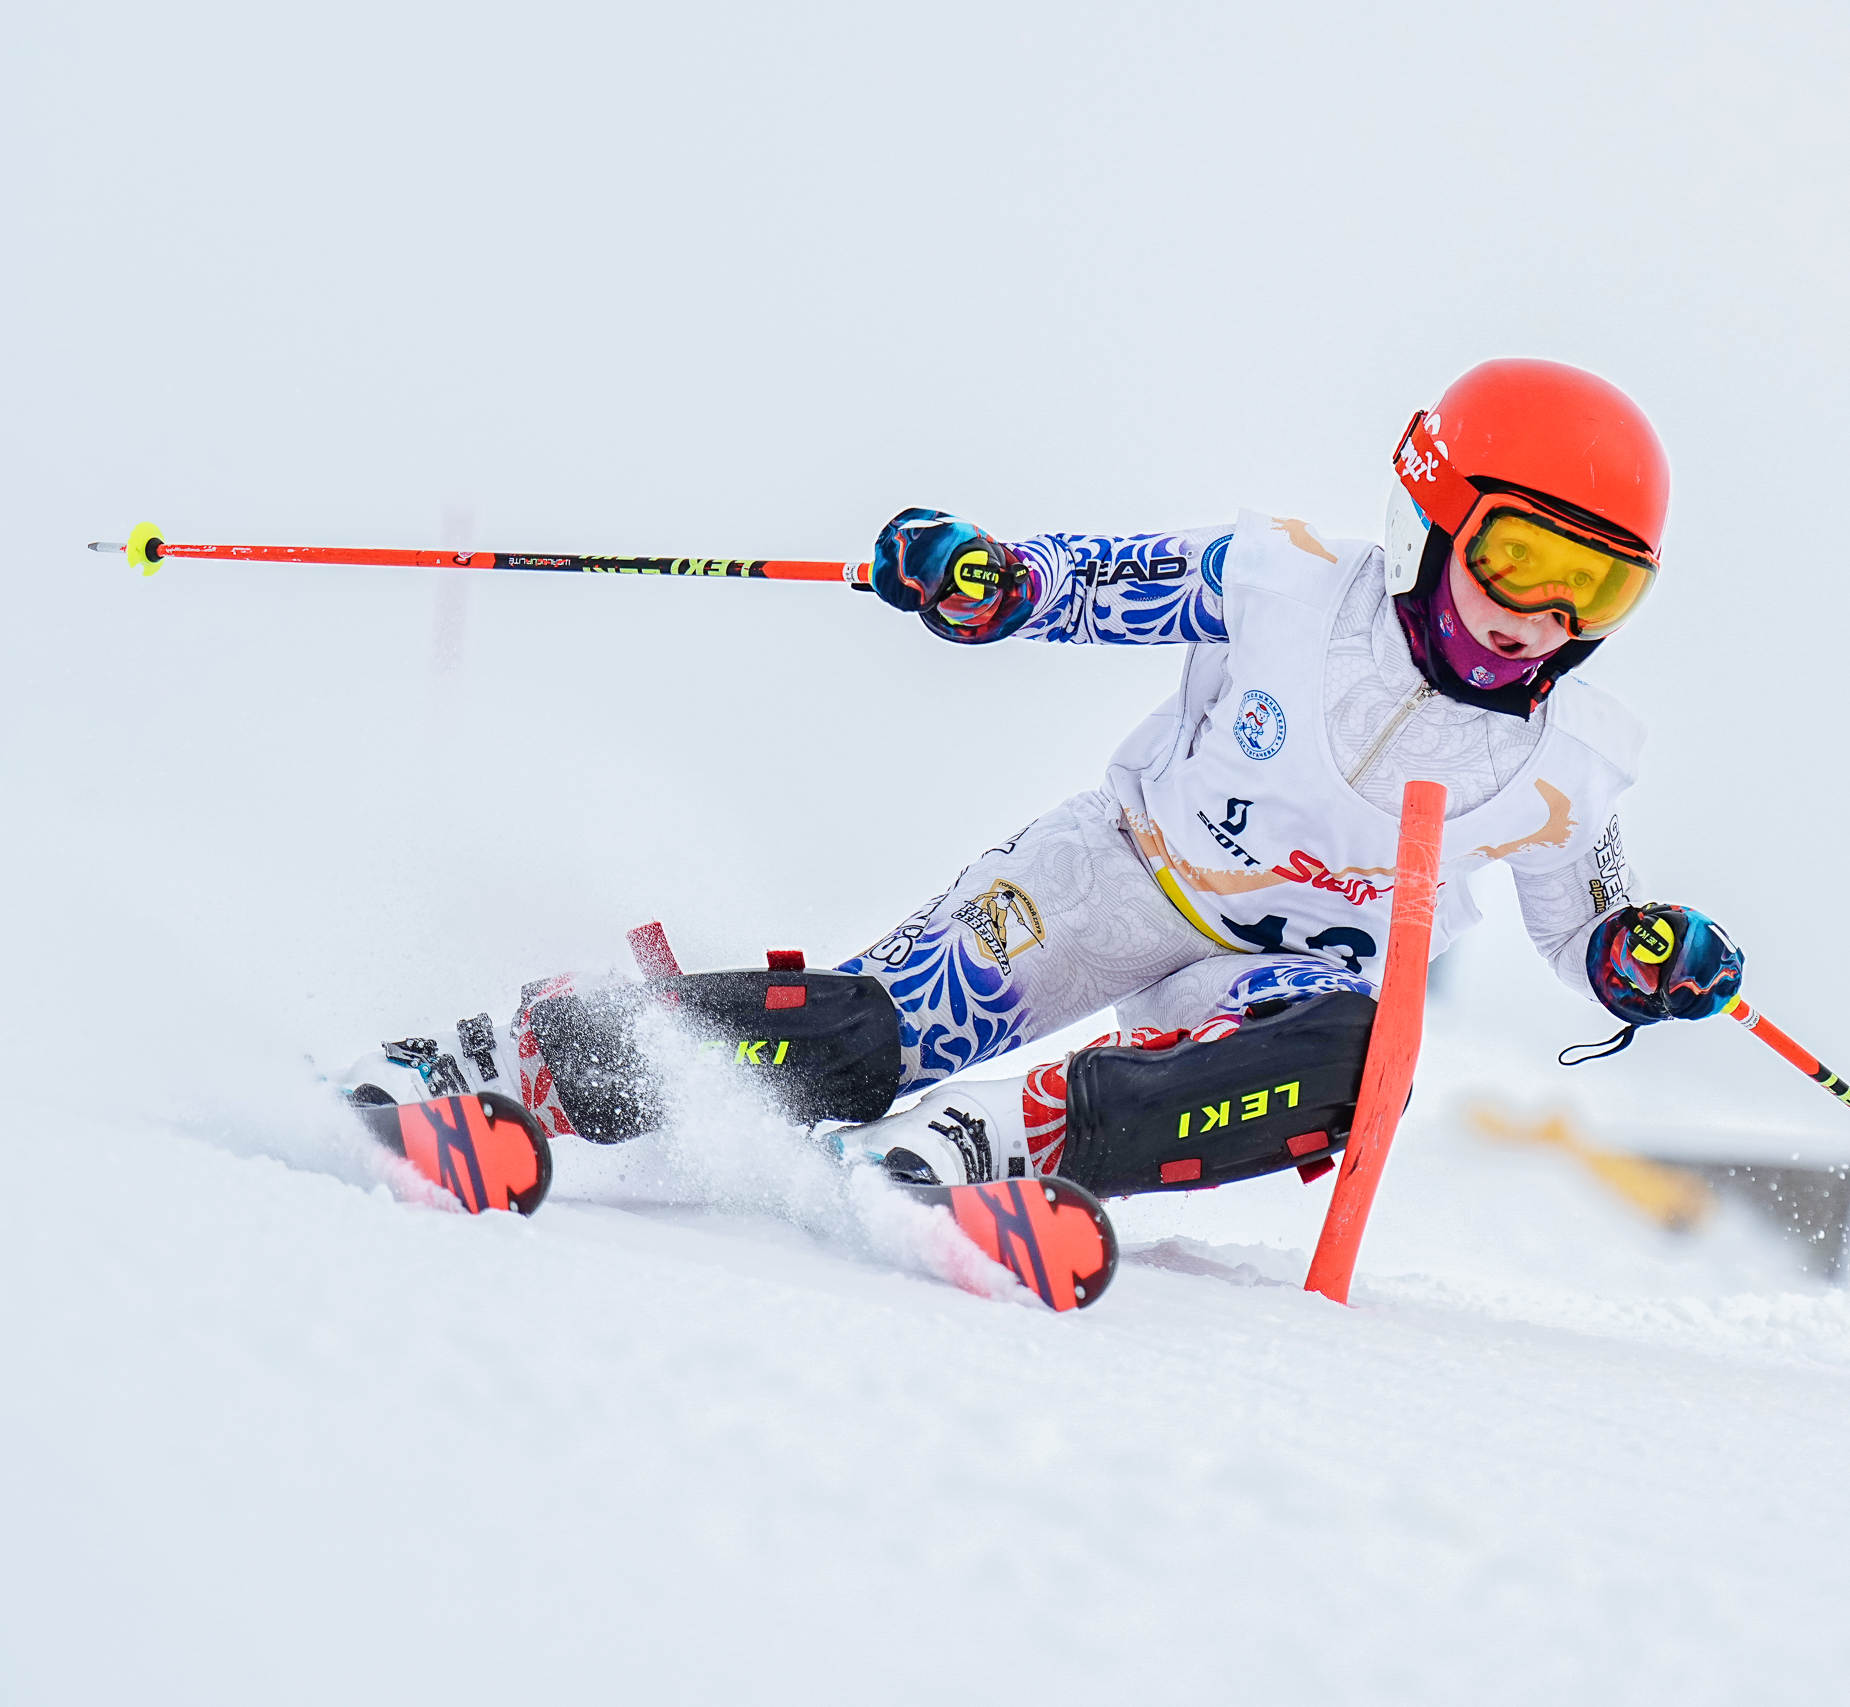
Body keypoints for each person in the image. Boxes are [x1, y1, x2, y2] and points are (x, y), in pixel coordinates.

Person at [337, 358, 1745, 1201]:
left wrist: (1642, 955)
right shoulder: (1276, 586)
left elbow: (1588, 926)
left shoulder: (1570, 760)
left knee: (1364, 1053)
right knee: (864, 1036)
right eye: (1518, 556)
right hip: (1115, 881)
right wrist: (983, 579)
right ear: (1434, 518)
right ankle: (510, 1060)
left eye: (1593, 582)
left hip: (1286, 982)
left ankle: (990, 1147)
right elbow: (1077, 583)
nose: (1539, 613)